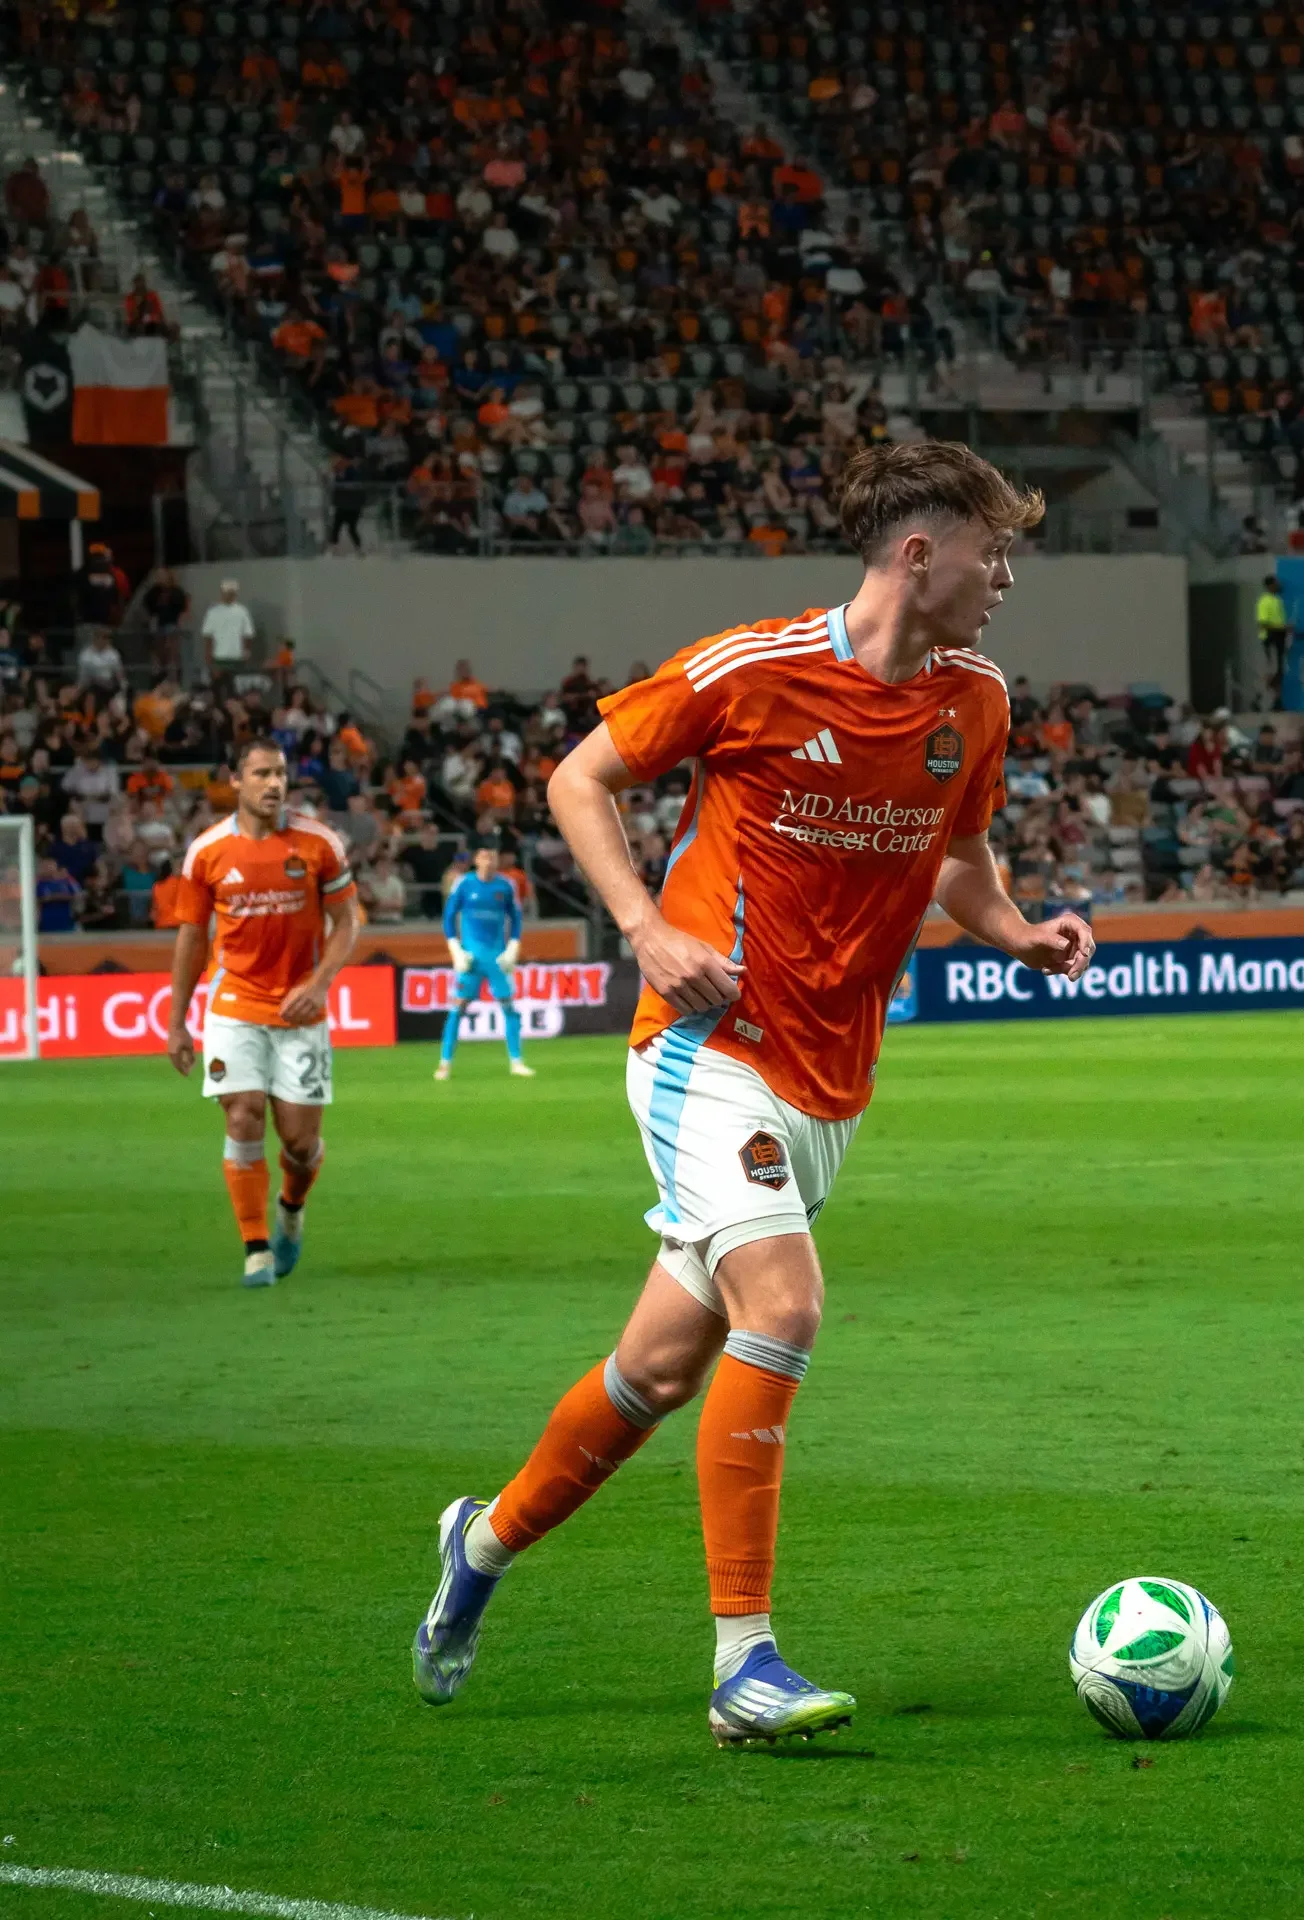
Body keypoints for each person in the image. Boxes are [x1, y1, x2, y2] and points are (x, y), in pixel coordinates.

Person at [410, 439, 1095, 1742]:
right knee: (783, 1301)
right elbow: (579, 778)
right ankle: (743, 1662)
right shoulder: (754, 669)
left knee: (659, 1370)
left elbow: (960, 857)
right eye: (992, 550)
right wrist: (642, 928)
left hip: (828, 1083)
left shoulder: (977, 703)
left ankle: (480, 1546)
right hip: (701, 1048)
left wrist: (1017, 933)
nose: (1005, 576)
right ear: (918, 553)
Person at [166, 740, 360, 1287]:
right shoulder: (207, 853)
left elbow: (347, 922)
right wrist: (177, 1021)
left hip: (300, 1009)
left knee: (299, 1143)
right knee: (242, 1111)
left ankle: (290, 1212)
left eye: (280, 773)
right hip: (234, 1005)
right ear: (237, 781)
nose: (274, 784)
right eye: (262, 774)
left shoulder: (318, 843)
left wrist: (320, 984)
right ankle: (255, 1247)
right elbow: (190, 937)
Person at [436, 840, 534, 1080]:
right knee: (457, 1008)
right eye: (485, 857)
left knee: (509, 1007)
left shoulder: (506, 886)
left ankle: (517, 1062)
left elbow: (516, 919)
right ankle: (444, 1063)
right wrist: (456, 950)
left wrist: (513, 948)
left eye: (493, 857)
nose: (489, 862)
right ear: (476, 859)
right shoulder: (464, 884)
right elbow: (449, 917)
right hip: (470, 957)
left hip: (497, 957)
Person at [201, 579, 255, 685]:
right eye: (226, 593)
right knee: (218, 686)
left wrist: (247, 652)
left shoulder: (242, 611)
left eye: (231, 593)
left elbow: (248, 634)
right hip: (218, 657)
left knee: (235, 687)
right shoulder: (213, 612)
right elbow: (208, 636)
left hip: (237, 657)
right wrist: (208, 656)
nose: (228, 596)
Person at [1255, 575, 1289, 701]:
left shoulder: (1277, 600)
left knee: (1280, 671)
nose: (1278, 586)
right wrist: (1283, 628)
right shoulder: (1264, 601)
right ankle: (1260, 697)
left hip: (1279, 638)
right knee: (1272, 670)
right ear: (1270, 586)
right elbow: (1262, 624)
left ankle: (1277, 700)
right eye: (1276, 583)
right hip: (1270, 640)